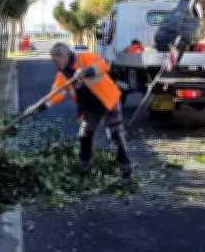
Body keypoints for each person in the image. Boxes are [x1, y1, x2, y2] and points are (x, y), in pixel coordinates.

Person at [36, 42, 133, 183]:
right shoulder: (62, 75)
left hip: (108, 100)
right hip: (90, 108)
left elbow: (104, 65)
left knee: (115, 134)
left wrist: (86, 71)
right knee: (85, 134)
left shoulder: (84, 57)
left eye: (56, 60)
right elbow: (56, 94)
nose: (55, 64)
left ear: (63, 55)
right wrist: (39, 107)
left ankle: (126, 169)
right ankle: (84, 166)